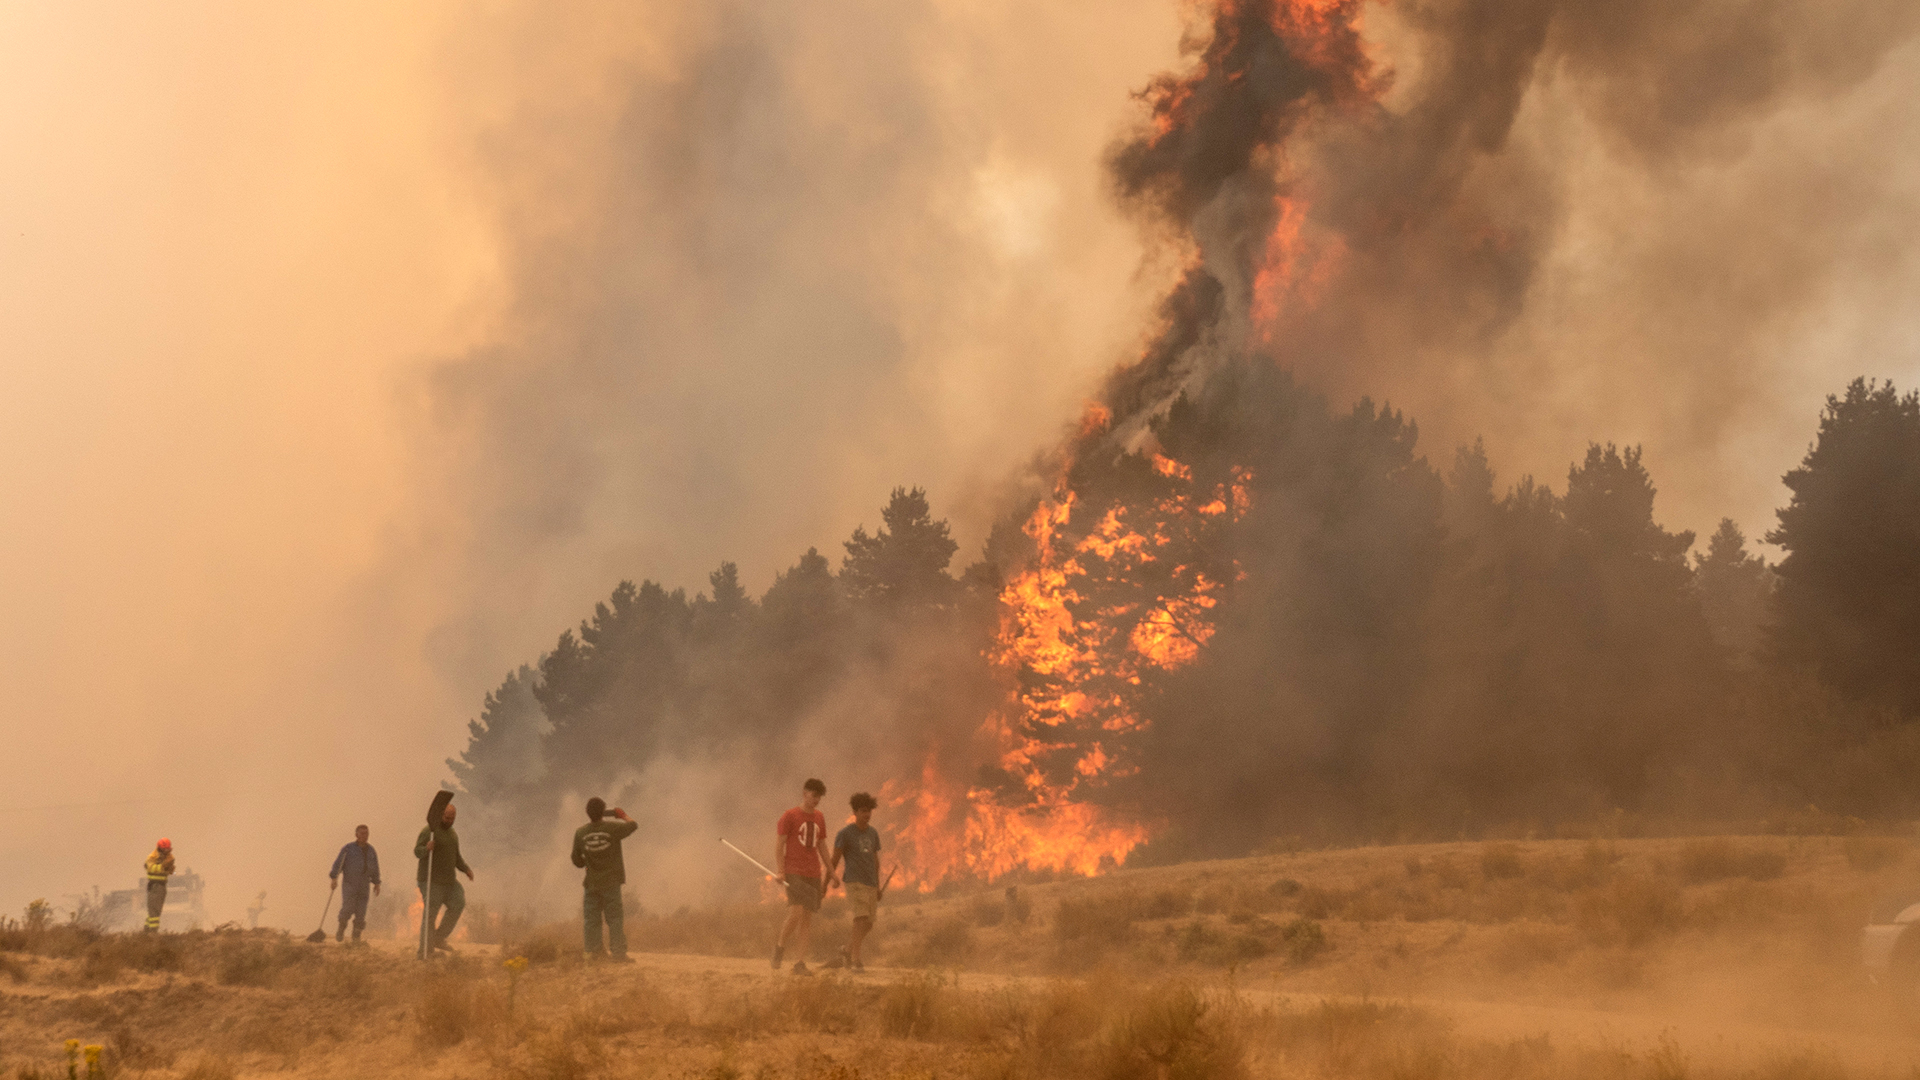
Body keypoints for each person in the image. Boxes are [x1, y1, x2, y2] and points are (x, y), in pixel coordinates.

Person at [771, 778, 832, 975]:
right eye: (814, 796)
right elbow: (780, 845)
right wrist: (781, 870)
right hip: (794, 871)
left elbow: (821, 845)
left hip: (813, 872)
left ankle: (799, 964)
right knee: (795, 913)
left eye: (819, 797)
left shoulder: (820, 818)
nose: (816, 800)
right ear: (805, 793)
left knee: (807, 919)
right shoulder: (789, 816)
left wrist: (831, 871)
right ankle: (780, 946)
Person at [571, 797, 640, 962]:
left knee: (591, 921)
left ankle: (593, 955)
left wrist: (587, 863)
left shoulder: (580, 833)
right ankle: (618, 955)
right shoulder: (612, 828)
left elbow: (576, 860)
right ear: (603, 812)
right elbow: (633, 825)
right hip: (611, 882)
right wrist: (622, 815)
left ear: (587, 813)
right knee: (614, 919)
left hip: (591, 884)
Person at [827, 792, 882, 972]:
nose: (867, 814)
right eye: (863, 811)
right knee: (860, 919)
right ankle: (856, 960)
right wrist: (825, 883)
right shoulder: (845, 834)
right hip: (854, 881)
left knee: (869, 924)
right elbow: (834, 861)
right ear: (855, 812)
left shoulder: (873, 833)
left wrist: (878, 886)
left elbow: (875, 860)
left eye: (869, 811)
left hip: (871, 883)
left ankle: (847, 950)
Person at [413, 800, 473, 958]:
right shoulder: (429, 831)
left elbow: (456, 856)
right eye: (447, 817)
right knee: (430, 915)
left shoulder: (453, 834)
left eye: (452, 818)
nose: (449, 821)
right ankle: (425, 952)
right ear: (441, 816)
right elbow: (417, 851)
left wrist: (465, 869)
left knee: (458, 903)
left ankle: (438, 938)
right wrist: (426, 848)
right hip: (430, 880)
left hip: (449, 881)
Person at [329, 825, 382, 944]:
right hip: (350, 884)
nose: (365, 836)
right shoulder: (348, 849)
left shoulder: (371, 850)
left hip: (364, 885)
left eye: (366, 834)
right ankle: (341, 929)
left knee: (361, 912)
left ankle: (356, 937)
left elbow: (375, 867)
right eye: (362, 834)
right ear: (356, 835)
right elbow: (338, 864)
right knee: (348, 908)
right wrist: (334, 878)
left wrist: (377, 882)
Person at [143, 838, 175, 933]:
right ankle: (152, 932)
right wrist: (163, 867)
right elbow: (151, 869)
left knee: (156, 911)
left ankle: (146, 931)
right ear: (160, 848)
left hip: (162, 887)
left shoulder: (169, 857)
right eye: (165, 849)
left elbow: (170, 871)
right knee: (153, 911)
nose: (167, 851)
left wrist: (170, 868)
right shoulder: (152, 857)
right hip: (154, 886)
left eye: (168, 849)